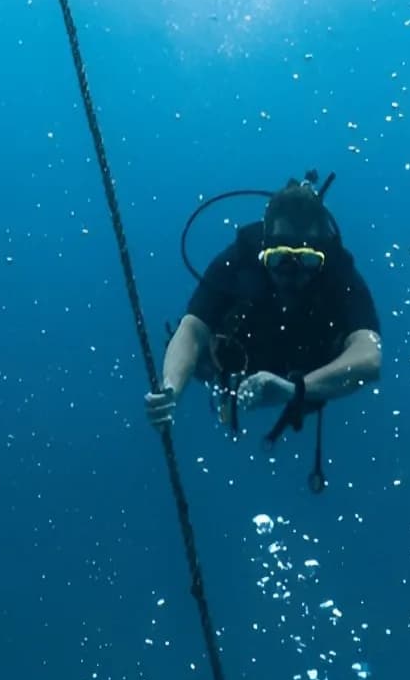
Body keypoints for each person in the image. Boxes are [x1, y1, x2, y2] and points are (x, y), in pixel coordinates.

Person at [143, 175, 382, 466]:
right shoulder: (240, 260)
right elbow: (192, 328)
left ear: (322, 255)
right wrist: (171, 388)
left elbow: (370, 356)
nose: (292, 274)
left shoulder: (338, 272)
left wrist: (295, 389)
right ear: (263, 248)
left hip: (305, 372)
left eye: (307, 260)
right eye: (279, 258)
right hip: (239, 358)